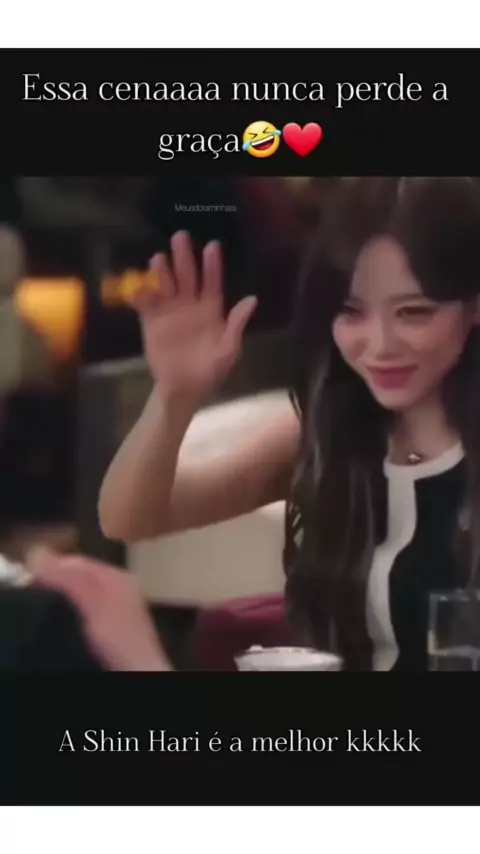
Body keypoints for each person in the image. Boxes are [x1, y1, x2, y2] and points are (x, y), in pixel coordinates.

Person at [93, 178, 479, 671]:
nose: (380, 345)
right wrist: (174, 397)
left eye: (413, 313)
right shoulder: (324, 434)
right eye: (351, 312)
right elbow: (128, 517)